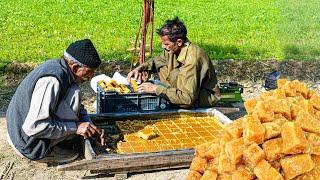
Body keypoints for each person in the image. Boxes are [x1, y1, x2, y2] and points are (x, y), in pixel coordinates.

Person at [6, 39, 106, 164]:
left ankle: (56, 140)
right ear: (75, 67)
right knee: (74, 96)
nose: (91, 77)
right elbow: (34, 127)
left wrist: (88, 124)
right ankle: (47, 150)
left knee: (74, 93)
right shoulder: (52, 80)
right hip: (27, 143)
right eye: (88, 73)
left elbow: (78, 107)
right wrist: (75, 128)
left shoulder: (62, 68)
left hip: (22, 132)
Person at [128, 17, 220, 108]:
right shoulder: (173, 49)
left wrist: (155, 89)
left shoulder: (192, 60)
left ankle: (170, 96)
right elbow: (157, 61)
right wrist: (140, 69)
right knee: (161, 66)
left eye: (166, 44)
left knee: (166, 83)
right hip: (180, 89)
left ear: (179, 42)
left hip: (200, 98)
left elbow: (187, 99)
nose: (163, 46)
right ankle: (169, 94)